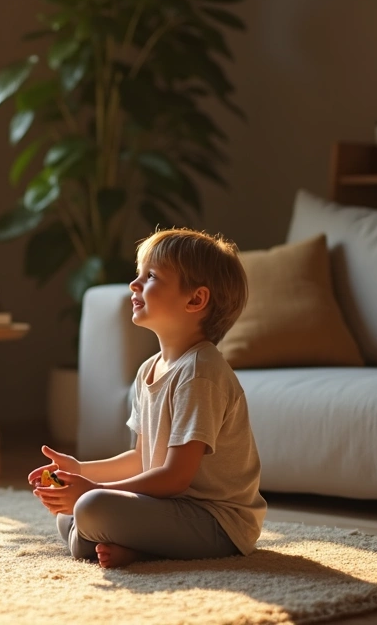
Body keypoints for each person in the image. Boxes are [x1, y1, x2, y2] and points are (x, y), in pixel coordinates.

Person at [30, 227, 265, 568]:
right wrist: (80, 470)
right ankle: (134, 545)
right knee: (71, 515)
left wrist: (92, 489)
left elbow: (174, 477)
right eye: (137, 275)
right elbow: (142, 459)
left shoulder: (200, 371)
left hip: (217, 523)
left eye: (151, 276)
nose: (134, 285)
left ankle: (135, 544)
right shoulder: (148, 370)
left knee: (89, 507)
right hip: (171, 508)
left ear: (195, 300)